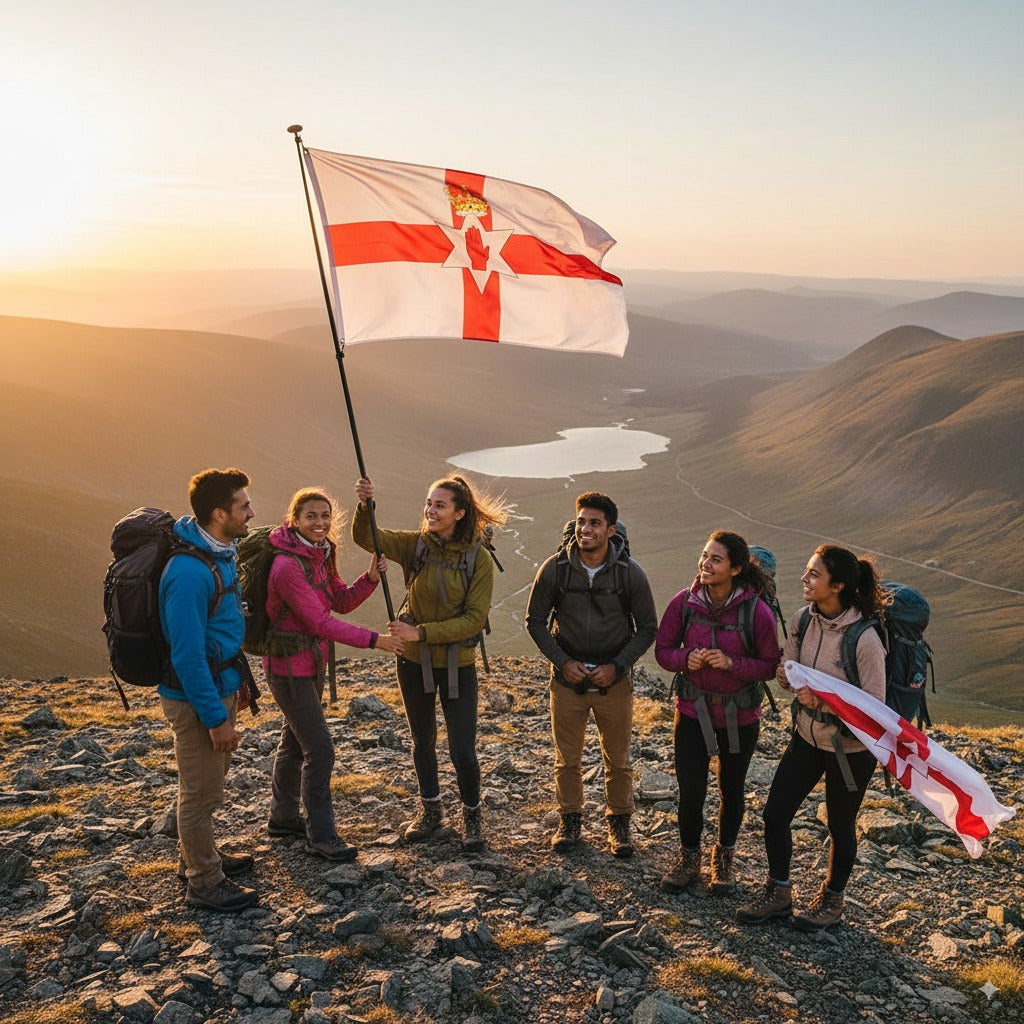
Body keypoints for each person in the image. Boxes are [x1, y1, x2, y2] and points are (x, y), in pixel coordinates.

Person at [352, 474, 507, 851]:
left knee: (462, 749)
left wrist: (419, 633)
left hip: (457, 664)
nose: (430, 511)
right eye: (428, 503)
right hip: (412, 663)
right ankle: (431, 812)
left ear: (460, 512)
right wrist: (365, 506)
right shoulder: (417, 545)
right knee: (422, 741)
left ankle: (472, 818)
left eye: (439, 505)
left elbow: (473, 619)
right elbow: (368, 537)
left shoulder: (479, 560)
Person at [737, 544, 888, 931]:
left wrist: (821, 700)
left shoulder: (865, 640)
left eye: (814, 575)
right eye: (807, 571)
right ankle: (779, 892)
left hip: (849, 749)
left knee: (840, 824)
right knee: (775, 813)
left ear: (837, 585)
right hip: (806, 736)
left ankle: (833, 902)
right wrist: (791, 679)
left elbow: (875, 709)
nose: (804, 579)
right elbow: (787, 669)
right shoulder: (804, 620)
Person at [264, 487, 405, 861]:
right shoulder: (287, 567)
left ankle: (283, 817)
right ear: (295, 519)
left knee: (295, 741)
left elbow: (338, 601)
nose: (320, 523)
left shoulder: (320, 555)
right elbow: (319, 621)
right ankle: (321, 835)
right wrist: (376, 641)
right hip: (288, 669)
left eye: (325, 516)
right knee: (320, 749)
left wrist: (370, 578)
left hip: (308, 664)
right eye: (311, 516)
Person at [525, 493, 657, 858]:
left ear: (610, 530)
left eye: (595, 523)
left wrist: (618, 666)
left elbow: (648, 627)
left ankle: (619, 824)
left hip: (613, 680)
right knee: (567, 757)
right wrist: (562, 661)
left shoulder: (630, 574)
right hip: (567, 679)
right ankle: (570, 820)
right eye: (582, 521)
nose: (586, 529)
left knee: (618, 757)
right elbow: (534, 621)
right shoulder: (555, 568)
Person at [655, 531, 781, 893]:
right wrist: (685, 659)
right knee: (690, 788)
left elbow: (770, 665)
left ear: (736, 568)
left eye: (716, 559)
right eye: (704, 556)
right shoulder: (684, 603)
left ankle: (723, 860)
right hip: (692, 711)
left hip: (738, 717)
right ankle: (689, 858)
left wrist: (731, 663)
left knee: (732, 789)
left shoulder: (756, 611)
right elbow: (663, 650)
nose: (705, 564)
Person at [158, 467, 258, 911]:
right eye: (243, 506)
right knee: (200, 793)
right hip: (198, 697)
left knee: (206, 784)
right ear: (220, 513)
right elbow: (186, 655)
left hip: (219, 685)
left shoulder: (218, 551)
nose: (251, 513)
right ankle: (203, 881)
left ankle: (200, 857)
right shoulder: (189, 573)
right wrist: (216, 719)